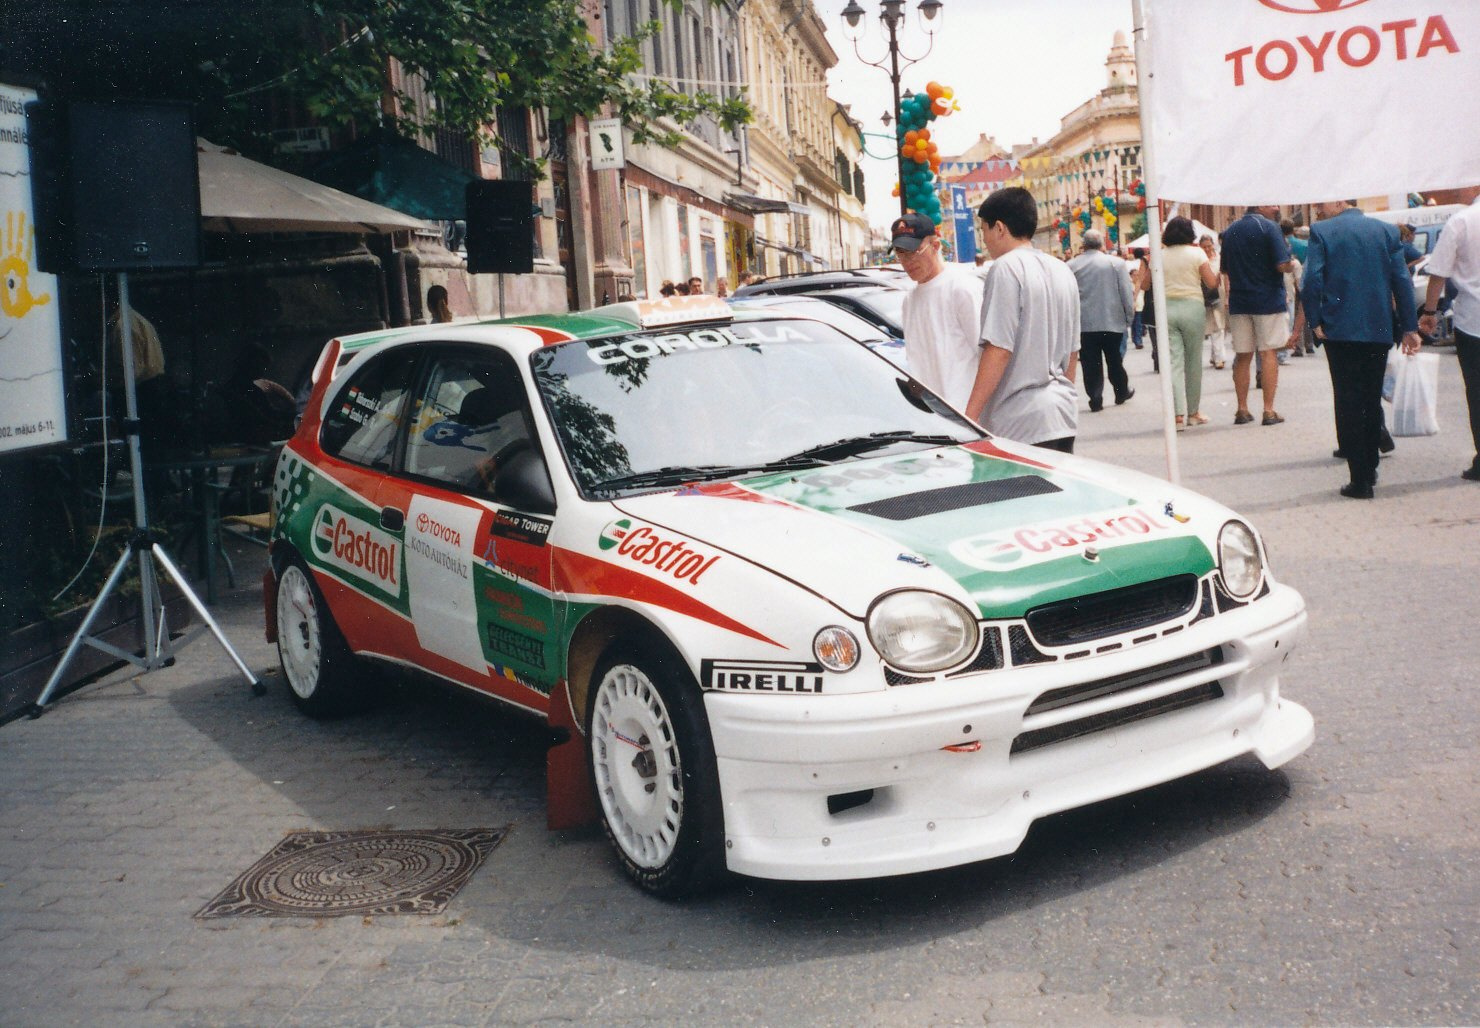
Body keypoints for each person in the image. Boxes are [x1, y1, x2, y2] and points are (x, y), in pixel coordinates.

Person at [1303, 199, 1422, 499]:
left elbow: (1312, 280)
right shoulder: (1385, 232)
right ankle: (1370, 468)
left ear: (1340, 202)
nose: (1318, 208)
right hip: (1378, 327)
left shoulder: (1322, 231)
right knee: (1370, 399)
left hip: (1339, 329)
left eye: (1322, 203)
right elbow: (1402, 281)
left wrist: (1314, 320)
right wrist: (1410, 327)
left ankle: (1360, 479)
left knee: (1348, 399)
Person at [965, 187, 1080, 452]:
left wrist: (969, 417)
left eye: (985, 231)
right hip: (1062, 414)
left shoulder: (1006, 268)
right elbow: (1073, 352)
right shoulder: (1062, 270)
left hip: (1019, 421)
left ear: (1000, 228)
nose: (986, 242)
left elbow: (999, 349)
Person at [891, 212, 984, 411]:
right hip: (931, 417)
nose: (907, 261)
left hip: (967, 413)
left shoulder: (962, 288)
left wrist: (974, 412)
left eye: (913, 251)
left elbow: (986, 355)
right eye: (900, 253)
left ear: (935, 246)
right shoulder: (910, 300)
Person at [1418, 183, 1480, 482]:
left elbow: (1438, 271)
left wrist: (1429, 312)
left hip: (1473, 322)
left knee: (1478, 392)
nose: (1456, 190)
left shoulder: (1462, 221)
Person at [1221, 204, 1295, 425]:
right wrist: (1292, 266)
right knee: (1268, 353)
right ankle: (1268, 410)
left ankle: (1242, 409)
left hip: (1240, 301)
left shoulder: (1231, 230)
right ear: (1261, 205)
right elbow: (1282, 264)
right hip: (1268, 300)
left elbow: (1224, 269)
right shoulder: (1270, 228)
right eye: (1272, 204)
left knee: (1243, 355)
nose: (1276, 207)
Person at [1160, 217, 1221, 429]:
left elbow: (1149, 282)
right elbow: (1211, 283)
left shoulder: (1159, 255)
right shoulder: (1197, 253)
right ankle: (1193, 412)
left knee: (1173, 362)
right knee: (1193, 361)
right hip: (1193, 308)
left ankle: (1177, 415)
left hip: (1166, 309)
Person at [1067, 228, 1135, 413]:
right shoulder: (1116, 264)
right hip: (1112, 320)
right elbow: (1126, 292)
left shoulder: (1071, 266)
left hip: (1085, 323)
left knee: (1091, 363)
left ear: (1083, 245)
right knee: (1115, 359)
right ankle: (1121, 391)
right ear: (1101, 244)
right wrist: (1130, 316)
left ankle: (1095, 398)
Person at [1200, 235, 1228, 371]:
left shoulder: (1220, 258)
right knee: (1215, 327)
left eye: (1209, 246)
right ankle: (1218, 358)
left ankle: (1216, 357)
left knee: (1218, 326)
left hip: (1221, 295)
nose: (1207, 249)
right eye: (1204, 247)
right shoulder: (1200, 260)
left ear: (1213, 244)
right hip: (1206, 297)